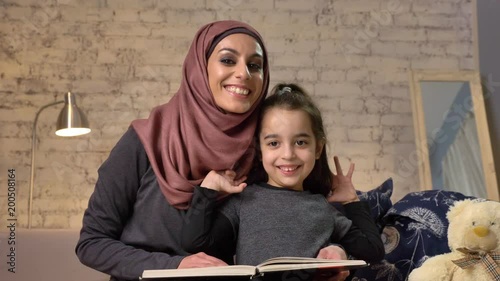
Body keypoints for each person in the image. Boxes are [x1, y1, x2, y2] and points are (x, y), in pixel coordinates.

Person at [75, 21, 348, 281]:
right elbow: (92, 243)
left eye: (255, 65)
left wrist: (336, 253)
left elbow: (304, 219)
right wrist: (177, 265)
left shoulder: (266, 151)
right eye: (228, 60)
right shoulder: (145, 140)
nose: (243, 73)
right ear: (200, 67)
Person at [181, 84, 385, 280]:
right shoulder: (244, 201)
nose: (288, 154)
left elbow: (373, 251)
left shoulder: (322, 208)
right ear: (260, 151)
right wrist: (208, 188)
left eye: (300, 142)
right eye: (274, 143)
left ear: (318, 149)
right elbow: (194, 243)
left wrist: (351, 200)